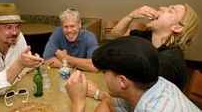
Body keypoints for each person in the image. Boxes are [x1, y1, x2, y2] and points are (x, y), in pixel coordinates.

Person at [65, 36, 201, 112]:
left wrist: (78, 102)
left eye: (105, 71)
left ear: (123, 82)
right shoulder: (155, 84)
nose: (102, 75)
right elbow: (109, 103)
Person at [110, 4, 199, 91]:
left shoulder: (168, 61)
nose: (161, 8)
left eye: (171, 11)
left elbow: (146, 98)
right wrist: (131, 16)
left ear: (177, 27)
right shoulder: (148, 36)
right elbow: (116, 34)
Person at [43, 8, 99, 72]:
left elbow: (95, 66)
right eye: (66, 27)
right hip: (63, 75)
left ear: (79, 24)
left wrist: (64, 57)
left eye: (72, 26)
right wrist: (79, 66)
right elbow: (47, 60)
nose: (69, 30)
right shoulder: (57, 32)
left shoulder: (90, 37)